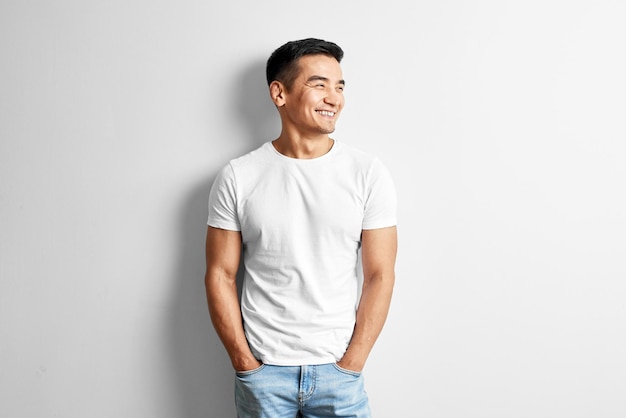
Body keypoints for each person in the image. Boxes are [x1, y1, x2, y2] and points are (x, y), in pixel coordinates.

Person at [204, 38, 397, 417]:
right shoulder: (238, 176)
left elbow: (381, 275)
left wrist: (352, 364)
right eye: (319, 84)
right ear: (279, 93)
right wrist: (246, 363)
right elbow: (219, 275)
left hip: (339, 373)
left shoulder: (367, 174)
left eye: (340, 86)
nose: (334, 98)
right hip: (264, 372)